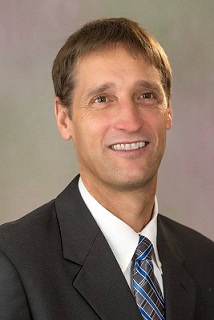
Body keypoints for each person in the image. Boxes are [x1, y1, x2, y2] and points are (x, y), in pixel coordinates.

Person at [0, 18, 213, 320]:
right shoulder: (13, 262)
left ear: (168, 111)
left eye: (146, 96)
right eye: (102, 99)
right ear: (64, 119)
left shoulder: (205, 261)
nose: (130, 120)